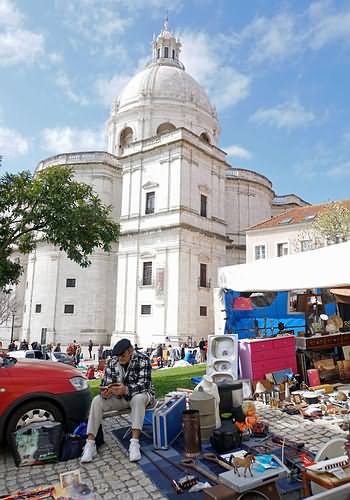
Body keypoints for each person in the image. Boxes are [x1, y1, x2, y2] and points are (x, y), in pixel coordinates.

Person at [81, 338, 155, 464]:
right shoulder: (112, 362)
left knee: (138, 399)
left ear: (130, 350)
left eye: (123, 355)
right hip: (119, 398)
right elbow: (105, 383)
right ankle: (90, 444)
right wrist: (105, 392)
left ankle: (134, 443)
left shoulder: (143, 359)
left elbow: (144, 385)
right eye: (118, 356)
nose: (120, 358)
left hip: (142, 396)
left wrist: (125, 390)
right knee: (96, 401)